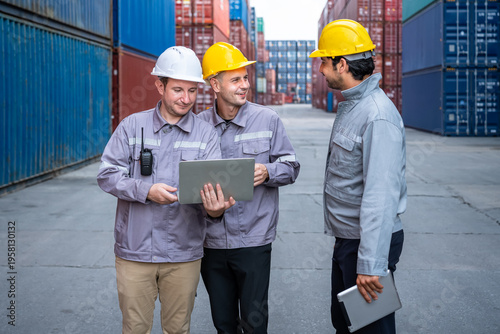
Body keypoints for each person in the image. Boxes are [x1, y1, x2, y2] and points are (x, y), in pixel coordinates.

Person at [97, 46, 234, 334]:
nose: (186, 99)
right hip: (135, 253)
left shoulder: (206, 134)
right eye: (178, 90)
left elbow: (211, 189)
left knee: (178, 330)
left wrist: (215, 209)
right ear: (160, 86)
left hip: (183, 255)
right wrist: (146, 191)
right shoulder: (132, 127)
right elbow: (107, 175)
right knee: (135, 328)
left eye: (193, 91)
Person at [309, 19, 407, 334]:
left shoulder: (377, 115)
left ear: (342, 64)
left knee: (370, 329)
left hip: (366, 243)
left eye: (324, 61)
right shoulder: (354, 106)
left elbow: (381, 196)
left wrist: (371, 264)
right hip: (349, 240)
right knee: (346, 324)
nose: (320, 69)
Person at [197, 42, 301, 334]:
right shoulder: (198, 126)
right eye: (236, 80)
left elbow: (291, 166)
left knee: (254, 325)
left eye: (245, 78)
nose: (244, 85)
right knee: (224, 324)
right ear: (214, 84)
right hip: (211, 242)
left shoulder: (268, 119)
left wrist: (268, 171)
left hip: (254, 241)